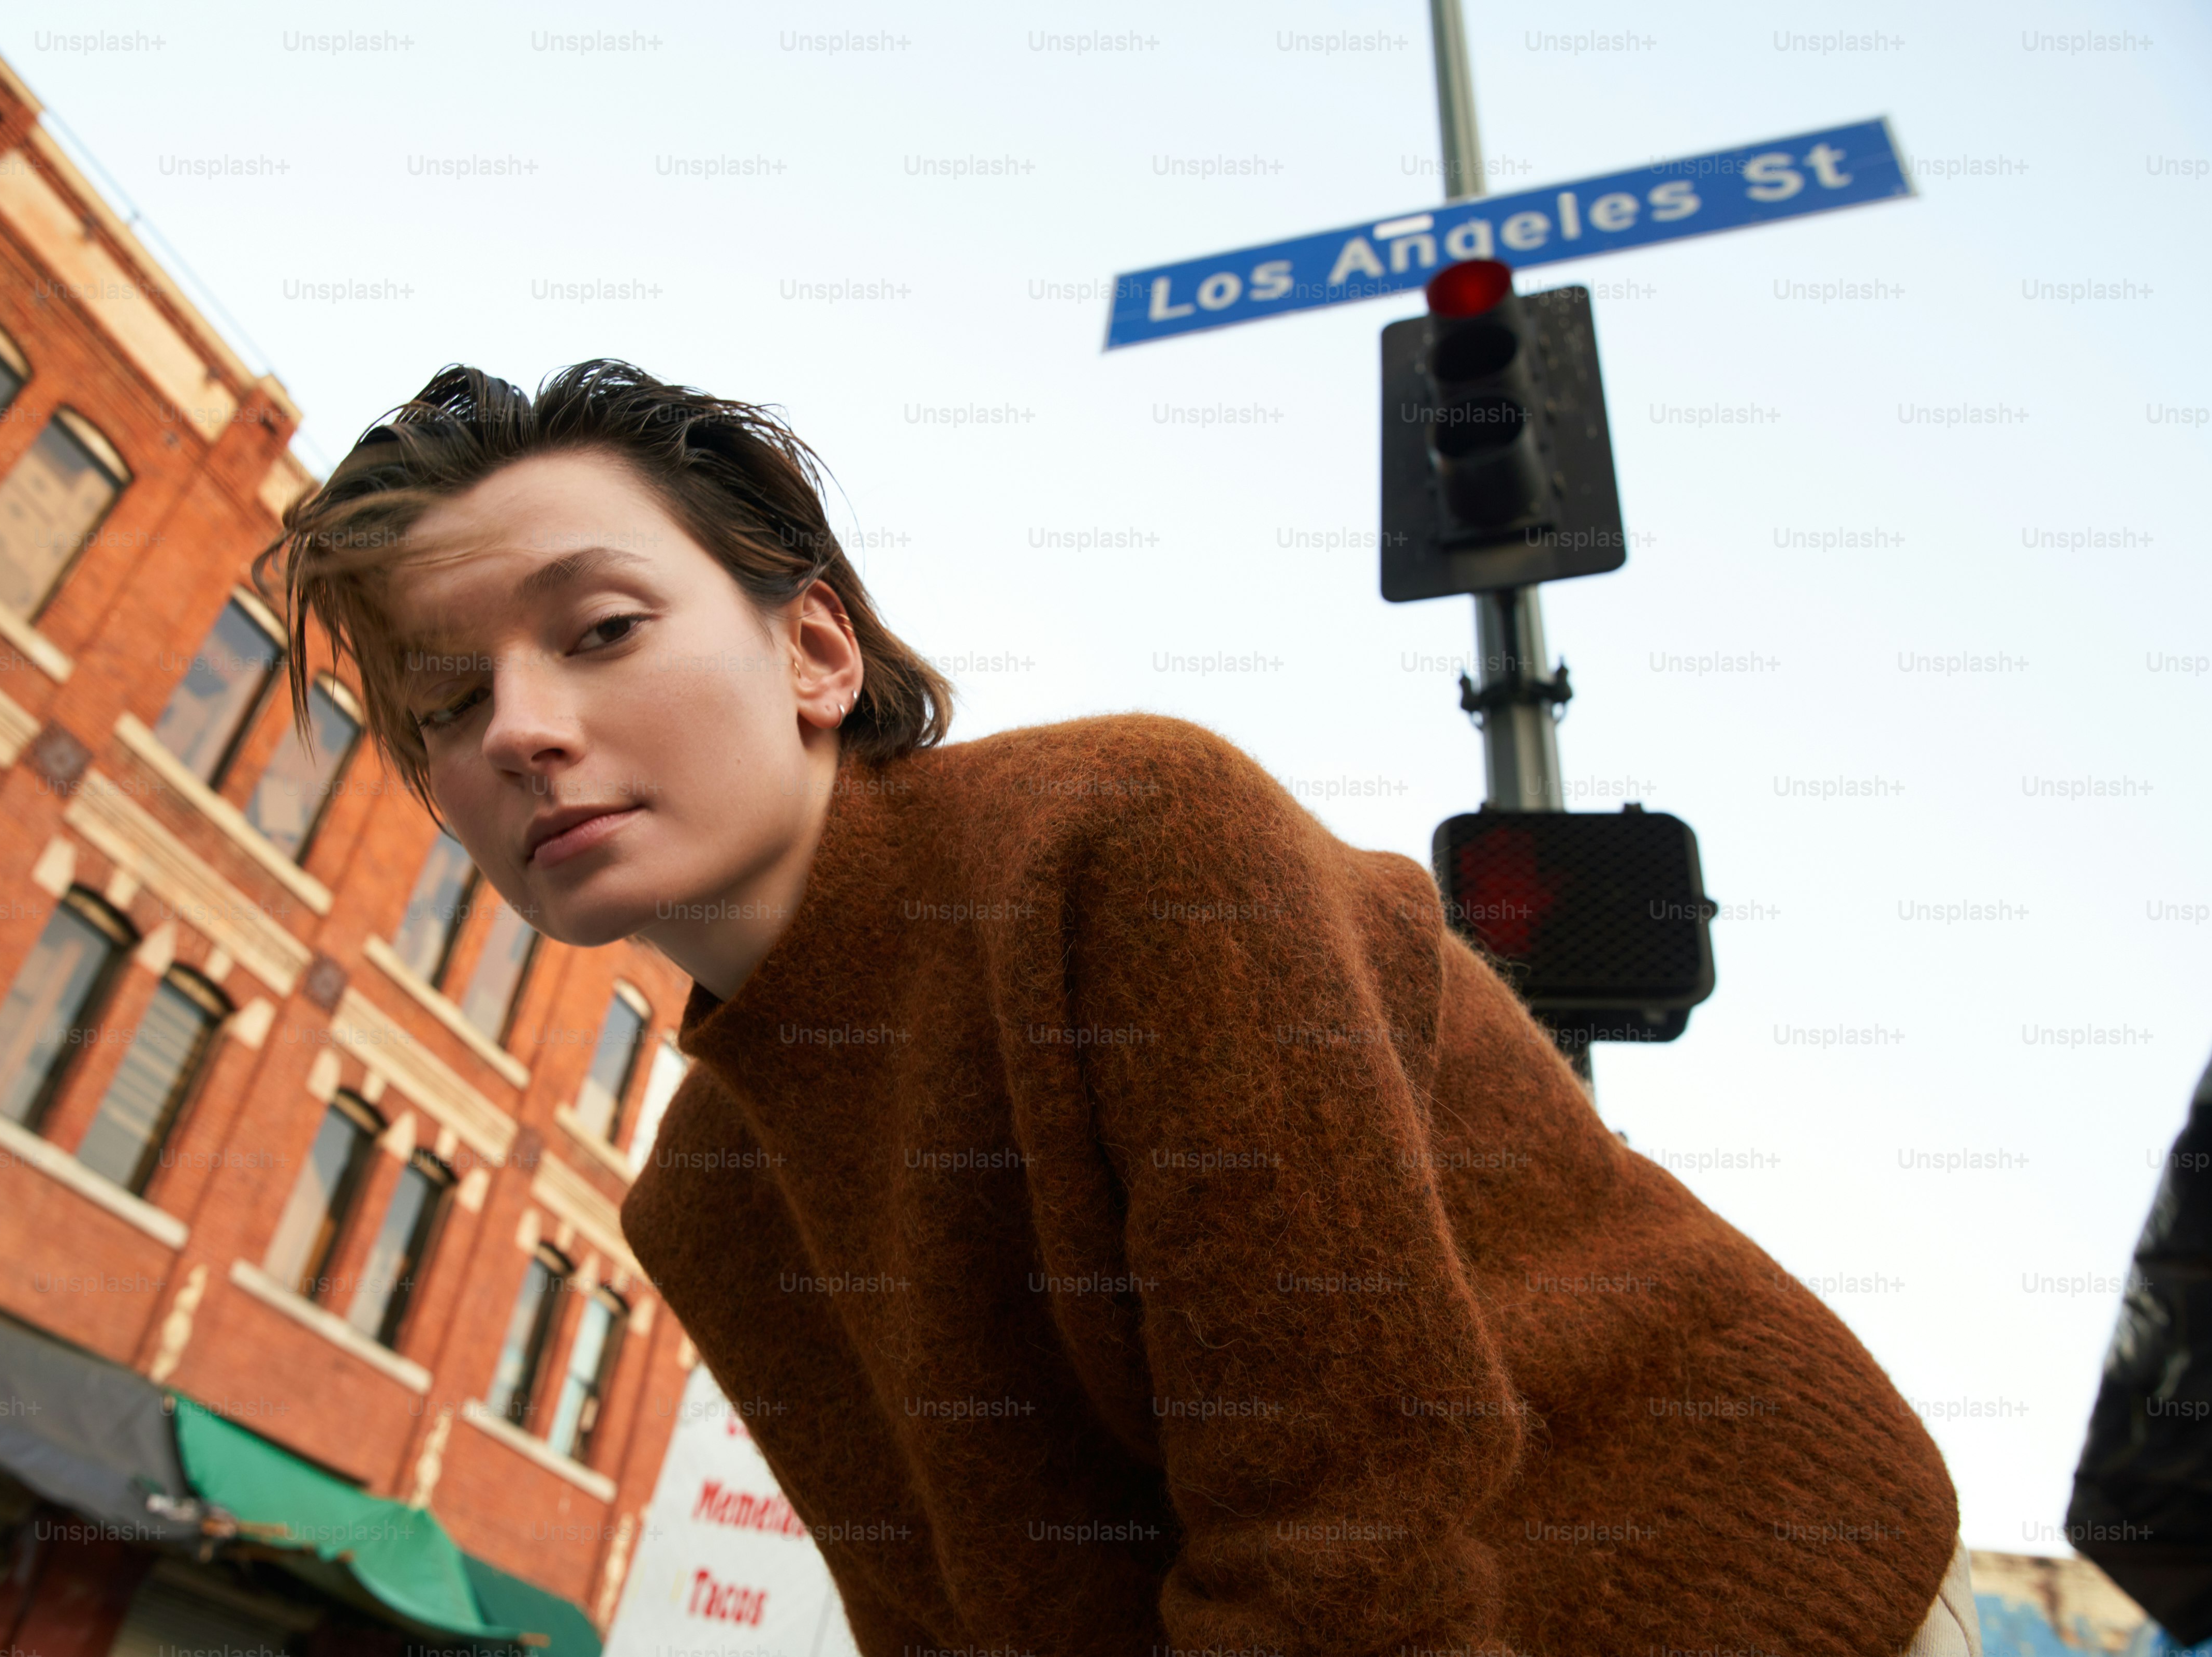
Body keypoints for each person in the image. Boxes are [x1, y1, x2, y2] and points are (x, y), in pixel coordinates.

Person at [266, 360, 1976, 1655]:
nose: (519, 728)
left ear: (815, 655)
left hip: (1763, 1602)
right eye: (448, 698)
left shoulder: (1130, 841)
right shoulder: (705, 1197)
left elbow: (1350, 1528)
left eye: (601, 627)